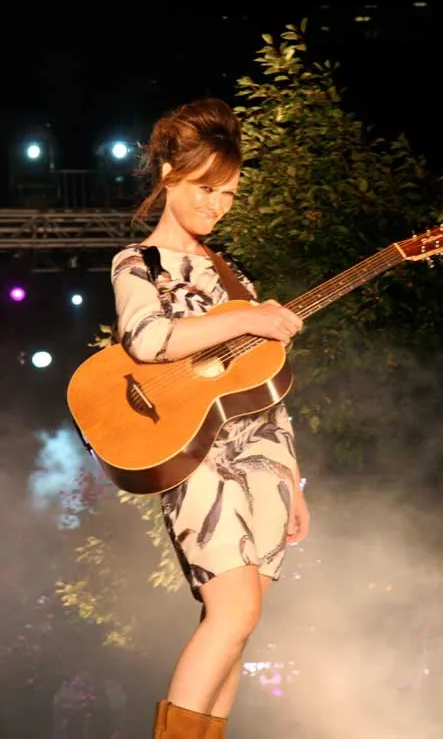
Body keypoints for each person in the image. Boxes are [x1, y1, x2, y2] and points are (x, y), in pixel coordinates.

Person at [110, 97, 310, 739]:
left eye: (228, 194)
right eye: (206, 188)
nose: (217, 205)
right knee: (233, 612)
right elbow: (148, 339)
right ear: (170, 174)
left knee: (239, 627)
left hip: (264, 455)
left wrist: (293, 475)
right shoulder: (139, 263)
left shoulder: (233, 274)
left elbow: (263, 381)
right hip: (195, 454)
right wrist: (248, 317)